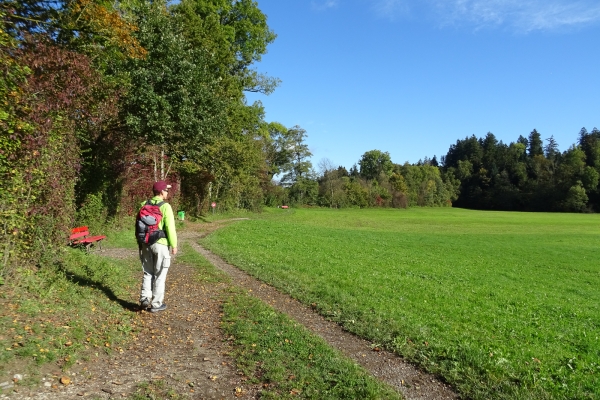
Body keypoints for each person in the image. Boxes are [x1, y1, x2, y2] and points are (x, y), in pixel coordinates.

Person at [138, 180, 178, 313]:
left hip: (146, 244)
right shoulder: (166, 207)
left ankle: (144, 298)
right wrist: (174, 245)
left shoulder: (143, 204)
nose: (168, 192)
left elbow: (139, 226)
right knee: (160, 274)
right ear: (161, 192)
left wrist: (141, 243)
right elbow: (170, 228)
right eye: (166, 190)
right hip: (160, 244)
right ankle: (156, 304)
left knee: (148, 272)